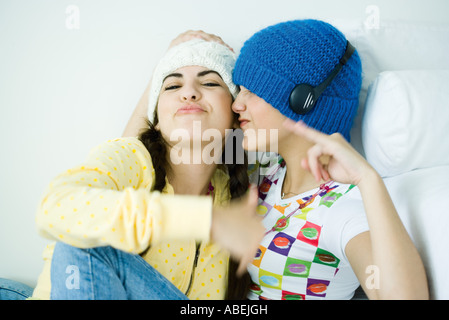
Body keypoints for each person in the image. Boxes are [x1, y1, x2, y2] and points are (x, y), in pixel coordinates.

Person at [31, 33, 264, 300]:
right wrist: (203, 220)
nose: (188, 92)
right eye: (172, 86)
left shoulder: (240, 191)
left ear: (237, 118)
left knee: (84, 244)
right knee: (83, 234)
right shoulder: (132, 159)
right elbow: (54, 207)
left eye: (210, 82)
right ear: (156, 120)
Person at [230, 19, 429, 300]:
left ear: (303, 100)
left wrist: (368, 180)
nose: (236, 104)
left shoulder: (342, 209)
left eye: (251, 90)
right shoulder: (267, 172)